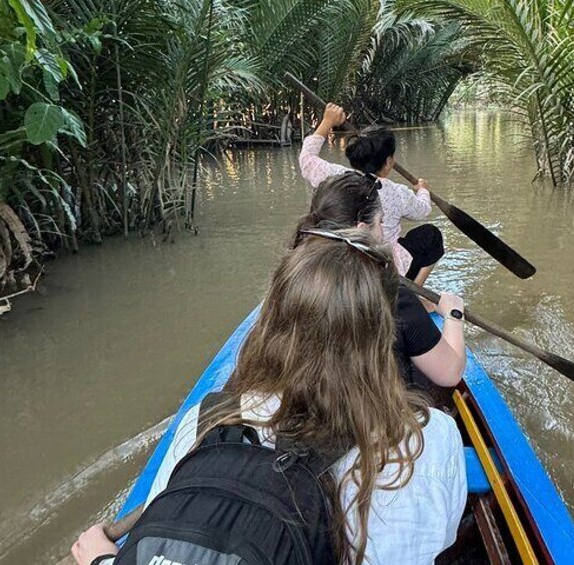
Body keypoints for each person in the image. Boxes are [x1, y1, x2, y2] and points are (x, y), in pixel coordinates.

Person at [72, 232, 467, 565]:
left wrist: (101, 560)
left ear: (270, 326)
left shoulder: (206, 421)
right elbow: (440, 540)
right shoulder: (430, 438)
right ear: (383, 336)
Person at [293, 171, 466, 394]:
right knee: (445, 426)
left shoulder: (291, 279)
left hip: (311, 405)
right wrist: (454, 314)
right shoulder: (393, 296)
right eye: (381, 222)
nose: (384, 231)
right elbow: (450, 374)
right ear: (362, 231)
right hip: (368, 417)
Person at [299, 103, 444, 285]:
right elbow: (422, 210)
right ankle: (415, 291)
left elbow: (306, 159)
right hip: (383, 268)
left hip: (340, 260)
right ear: (389, 162)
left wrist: (327, 122)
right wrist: (423, 189)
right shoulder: (397, 193)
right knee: (431, 236)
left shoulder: (334, 177)